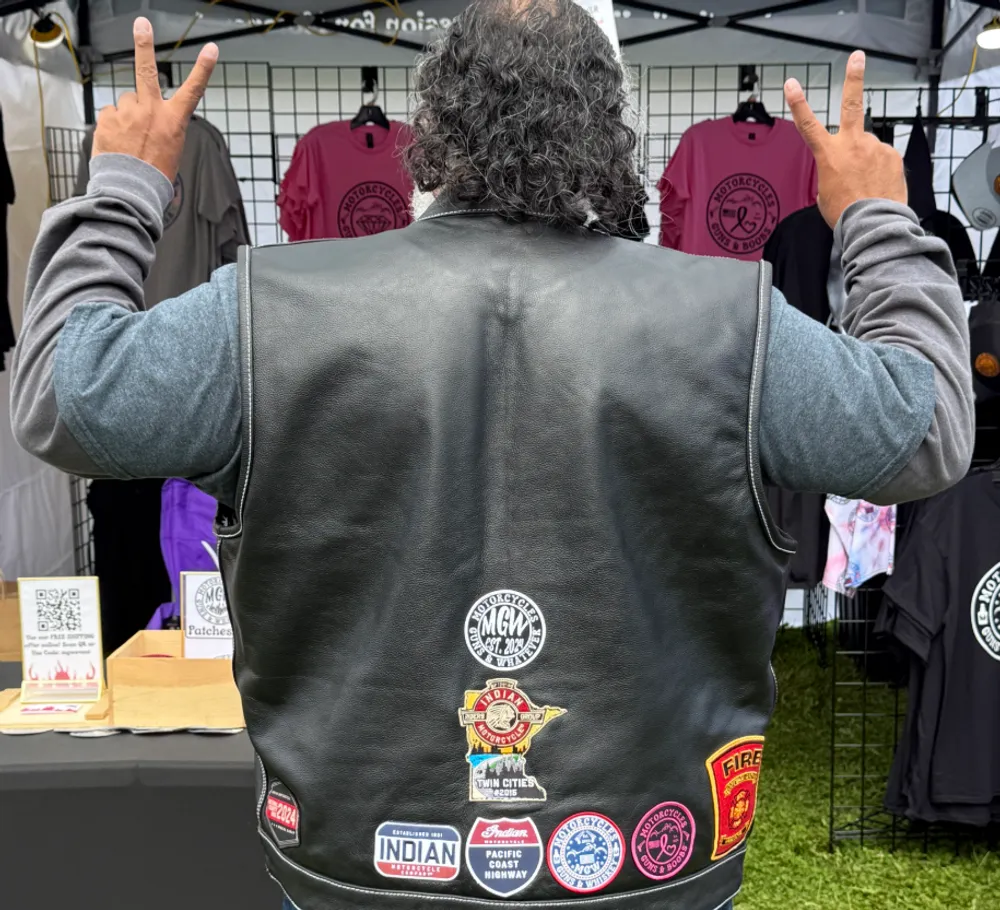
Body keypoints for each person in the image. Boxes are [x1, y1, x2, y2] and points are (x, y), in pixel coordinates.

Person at [11, 2, 973, 908]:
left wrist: (126, 187)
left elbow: (63, 396)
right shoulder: (734, 320)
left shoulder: (267, 309)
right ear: (612, 129)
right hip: (646, 853)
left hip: (354, 853)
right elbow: (923, 428)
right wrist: (876, 218)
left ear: (433, 128)